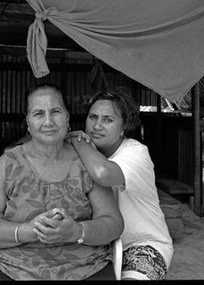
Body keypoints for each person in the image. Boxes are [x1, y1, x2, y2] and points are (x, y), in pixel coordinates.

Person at [0, 84, 124, 280]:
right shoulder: (8, 163)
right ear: (27, 122)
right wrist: (28, 231)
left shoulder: (84, 161)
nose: (48, 121)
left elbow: (113, 223)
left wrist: (77, 231)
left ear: (67, 118)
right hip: (17, 269)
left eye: (55, 111)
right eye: (38, 114)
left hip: (86, 267)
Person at [67, 88, 174, 280]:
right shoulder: (86, 153)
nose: (97, 125)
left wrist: (76, 139)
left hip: (141, 244)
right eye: (93, 117)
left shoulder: (136, 152)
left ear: (123, 127)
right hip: (99, 244)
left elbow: (103, 174)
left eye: (108, 120)